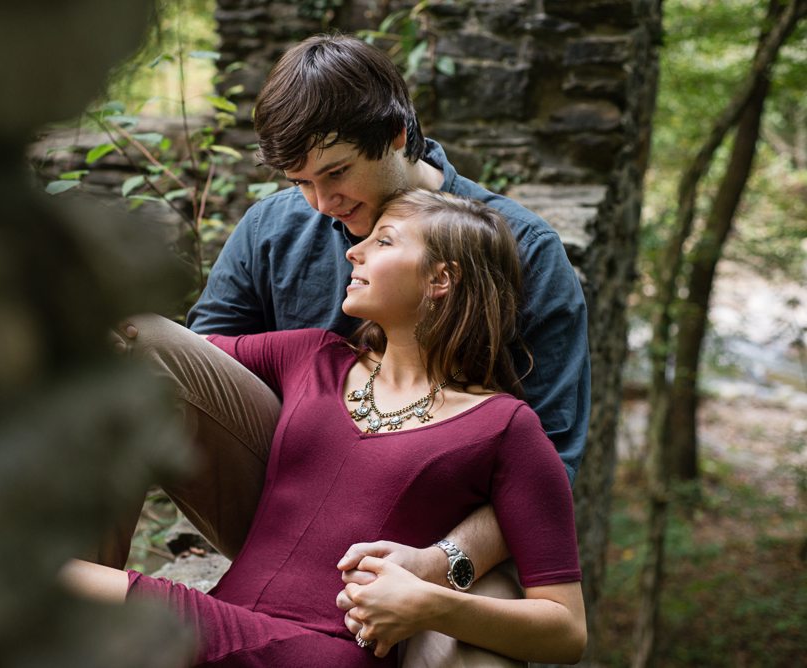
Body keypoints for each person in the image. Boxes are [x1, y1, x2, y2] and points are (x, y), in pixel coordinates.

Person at [108, 32, 589, 662]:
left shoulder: (522, 252)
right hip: (288, 489)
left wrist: (436, 565)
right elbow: (202, 375)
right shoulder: (275, 226)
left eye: (335, 173)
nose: (321, 203)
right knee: (133, 350)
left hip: (437, 537)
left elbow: (549, 459)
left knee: (476, 651)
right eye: (299, 181)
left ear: (395, 135)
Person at [71, 190, 586, 667]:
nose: (353, 252)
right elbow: (165, 355)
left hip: (324, 651)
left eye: (382, 240)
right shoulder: (313, 355)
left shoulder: (505, 427)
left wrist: (432, 605)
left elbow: (566, 630)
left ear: (440, 279)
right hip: (222, 625)